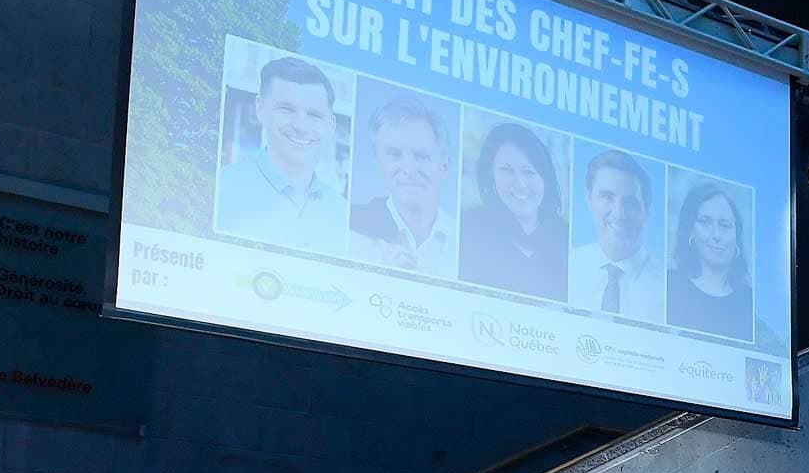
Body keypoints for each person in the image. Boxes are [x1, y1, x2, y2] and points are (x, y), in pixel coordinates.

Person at [213, 56, 348, 253]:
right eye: (286, 109)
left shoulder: (342, 212)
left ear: (331, 125)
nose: (301, 126)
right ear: (259, 108)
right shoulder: (220, 188)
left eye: (314, 115)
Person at [457, 122, 568, 300]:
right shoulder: (466, 230)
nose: (521, 184)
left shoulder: (566, 240)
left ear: (545, 178)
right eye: (506, 170)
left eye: (529, 172)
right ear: (491, 176)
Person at [350, 95, 454, 275]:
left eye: (421, 156)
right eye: (394, 155)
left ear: (444, 166)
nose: (409, 169)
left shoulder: (466, 241)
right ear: (378, 162)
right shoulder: (350, 228)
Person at [570, 148, 664, 322]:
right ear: (589, 200)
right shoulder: (567, 266)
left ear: (647, 212)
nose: (619, 214)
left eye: (630, 202)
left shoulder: (666, 288)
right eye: (607, 197)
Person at [665, 181, 753, 341]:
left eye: (725, 225)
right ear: (690, 229)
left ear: (737, 236)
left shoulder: (750, 302)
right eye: (705, 222)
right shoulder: (666, 285)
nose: (716, 235)